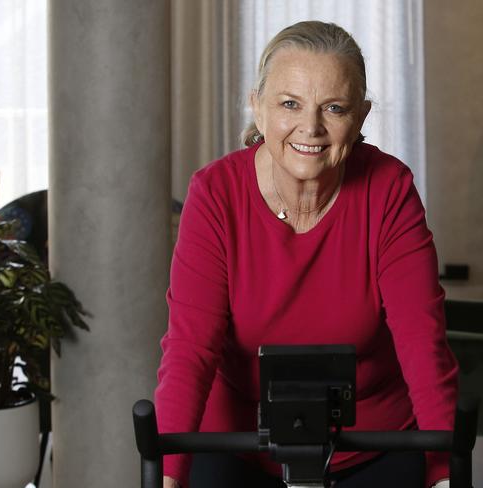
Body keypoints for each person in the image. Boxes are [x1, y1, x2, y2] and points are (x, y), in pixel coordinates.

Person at [156, 20, 458, 488]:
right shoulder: (214, 193)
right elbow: (189, 349)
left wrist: (444, 474)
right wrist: (168, 477)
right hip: (239, 442)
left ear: (359, 117)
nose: (311, 128)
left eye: (333, 108)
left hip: (372, 444)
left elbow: (423, 342)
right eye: (289, 104)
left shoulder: (389, 189)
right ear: (257, 108)